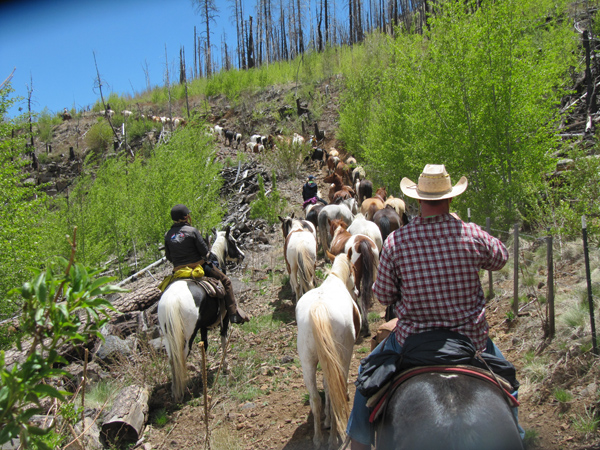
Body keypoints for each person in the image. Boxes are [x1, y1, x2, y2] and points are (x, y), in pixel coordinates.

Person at [346, 164, 522, 449]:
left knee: (366, 373)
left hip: (411, 342)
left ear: (418, 200)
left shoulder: (397, 241)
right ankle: (518, 430)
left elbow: (384, 295)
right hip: (471, 341)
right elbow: (501, 257)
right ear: (450, 198)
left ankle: (360, 441)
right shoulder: (471, 234)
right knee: (508, 379)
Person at [164, 204, 249, 324]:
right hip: (198, 266)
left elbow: (168, 256)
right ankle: (233, 313)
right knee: (226, 281)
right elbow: (204, 252)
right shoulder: (192, 231)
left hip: (178, 271)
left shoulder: (168, 235)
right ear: (185, 217)